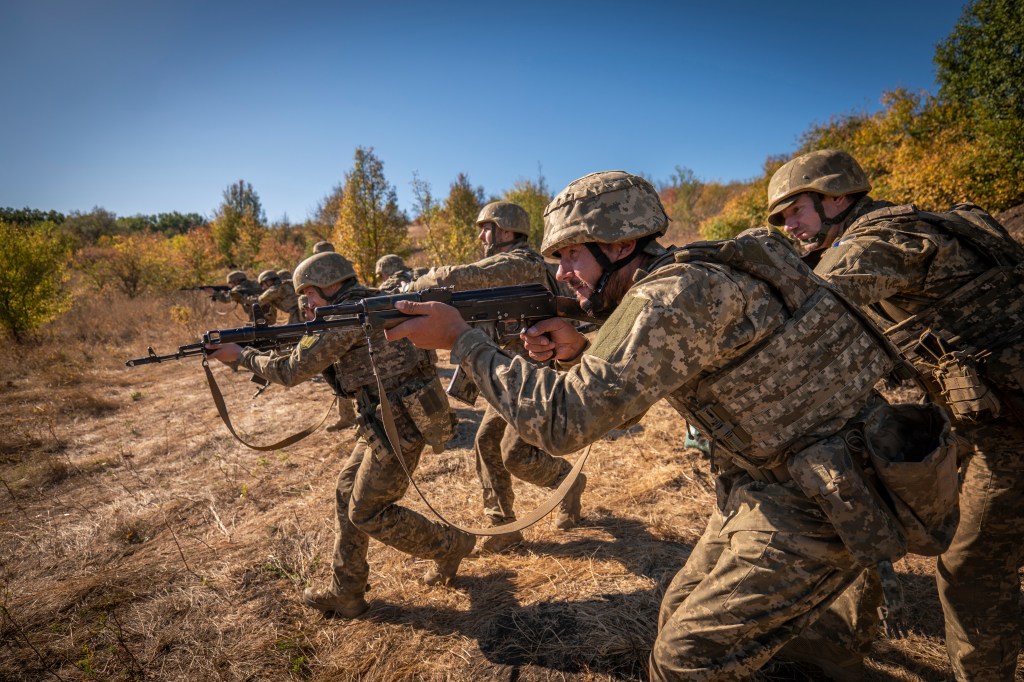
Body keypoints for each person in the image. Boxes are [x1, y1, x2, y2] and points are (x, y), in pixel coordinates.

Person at [384, 170, 921, 680]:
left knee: (684, 661)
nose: (562, 273)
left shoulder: (671, 295)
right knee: (678, 611)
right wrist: (577, 353)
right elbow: (631, 399)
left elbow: (566, 424)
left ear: (619, 246)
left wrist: (462, 342)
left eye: (572, 253)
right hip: (772, 480)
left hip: (821, 495)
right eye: (556, 257)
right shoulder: (678, 279)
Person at [768, 149, 1024, 682]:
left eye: (794, 210)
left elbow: (806, 305)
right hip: (974, 414)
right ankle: (841, 638)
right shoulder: (895, 230)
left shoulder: (885, 242)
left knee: (972, 567)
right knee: (861, 493)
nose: (788, 225)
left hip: (1011, 429)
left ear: (836, 197)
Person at [207, 252, 474, 618]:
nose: (307, 303)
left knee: (368, 512)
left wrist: (242, 356)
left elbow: (289, 371)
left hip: (399, 425)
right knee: (346, 490)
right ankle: (347, 591)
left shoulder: (347, 316)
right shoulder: (368, 302)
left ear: (329, 285)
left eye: (310, 294)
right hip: (385, 420)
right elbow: (312, 349)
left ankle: (451, 544)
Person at [408, 200, 587, 553]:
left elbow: (457, 278)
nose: (480, 235)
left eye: (486, 227)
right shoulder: (505, 267)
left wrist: (413, 288)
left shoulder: (522, 263)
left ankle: (569, 482)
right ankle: (502, 526)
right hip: (510, 374)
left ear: (506, 231)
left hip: (536, 375)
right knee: (487, 443)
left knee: (515, 454)